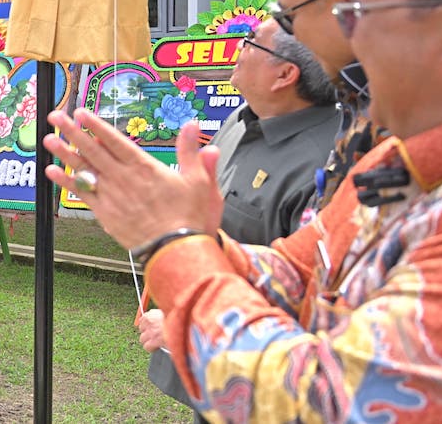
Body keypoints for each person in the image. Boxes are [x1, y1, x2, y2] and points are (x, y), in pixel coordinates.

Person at [46, 0, 442, 421]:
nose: (350, 43)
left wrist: (174, 244)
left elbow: (319, 405)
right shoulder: (396, 168)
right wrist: (185, 234)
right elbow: (298, 271)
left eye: (361, 12)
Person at [139, 21, 339, 418]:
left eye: (251, 44)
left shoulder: (328, 164)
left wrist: (190, 324)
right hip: (215, 373)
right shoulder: (241, 120)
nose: (237, 48)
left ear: (285, 75)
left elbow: (308, 298)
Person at [260, 0, 392, 214]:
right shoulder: (354, 96)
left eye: (289, 17)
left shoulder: (406, 114)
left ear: (345, 6)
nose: (292, 37)